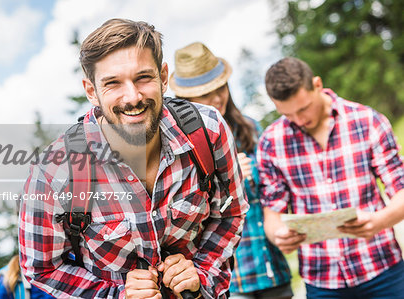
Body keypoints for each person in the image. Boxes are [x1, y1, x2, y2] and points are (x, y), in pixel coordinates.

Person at [18, 18, 248, 299]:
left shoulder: (208, 130)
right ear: (92, 91)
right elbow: (42, 268)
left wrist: (201, 274)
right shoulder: (54, 171)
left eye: (143, 77)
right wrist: (116, 295)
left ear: (163, 77)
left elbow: (230, 214)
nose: (133, 97)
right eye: (113, 83)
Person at [258, 57, 404, 298]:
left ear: (317, 84)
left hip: (383, 269)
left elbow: (400, 191)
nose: (299, 120)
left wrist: (380, 220)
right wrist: (279, 236)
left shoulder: (367, 121)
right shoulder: (271, 142)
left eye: (303, 108)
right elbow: (272, 216)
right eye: (288, 114)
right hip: (321, 280)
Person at [169, 42, 293, 299]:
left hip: (272, 267)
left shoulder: (251, 128)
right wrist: (227, 178)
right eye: (205, 94)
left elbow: (273, 191)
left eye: (220, 88)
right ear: (187, 100)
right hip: (230, 280)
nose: (216, 98)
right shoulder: (180, 146)